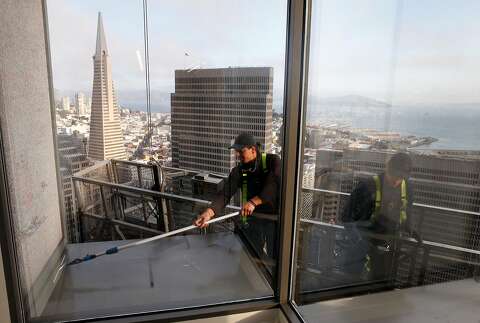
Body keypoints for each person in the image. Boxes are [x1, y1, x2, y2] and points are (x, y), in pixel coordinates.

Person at [194, 132, 281, 260]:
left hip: (274, 219)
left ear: (253, 149)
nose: (238, 155)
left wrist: (253, 202)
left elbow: (273, 186)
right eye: (236, 151)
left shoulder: (272, 162)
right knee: (252, 255)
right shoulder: (238, 171)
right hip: (253, 219)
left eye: (241, 151)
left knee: (275, 257)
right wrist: (209, 212)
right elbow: (225, 194)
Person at [341, 152, 417, 283]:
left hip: (387, 243)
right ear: (387, 168)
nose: (396, 181)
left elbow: (407, 211)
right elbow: (346, 216)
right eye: (394, 176)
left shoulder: (407, 187)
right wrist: (357, 239)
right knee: (351, 280)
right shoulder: (367, 186)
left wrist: (409, 229)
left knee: (381, 281)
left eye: (401, 178)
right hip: (362, 242)